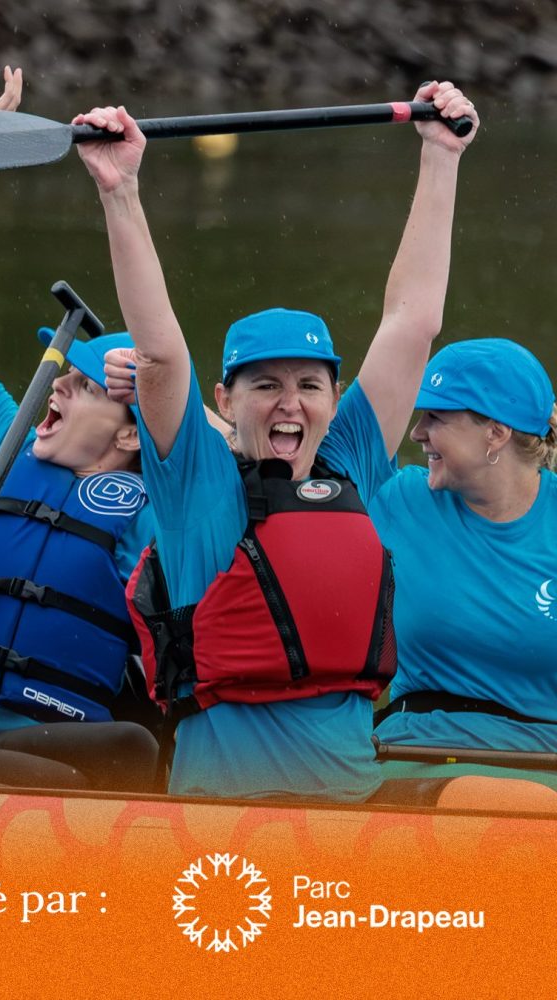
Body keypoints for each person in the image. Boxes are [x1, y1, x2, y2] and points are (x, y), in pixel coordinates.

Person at [74, 80, 478, 800]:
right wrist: (120, 190)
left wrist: (441, 158)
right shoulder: (194, 478)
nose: (290, 405)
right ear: (225, 401)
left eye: (309, 386)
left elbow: (412, 322)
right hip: (222, 827)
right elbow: (163, 356)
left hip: (348, 819)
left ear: (333, 398)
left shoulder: (350, 459)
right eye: (265, 386)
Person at [0, 67, 159, 792]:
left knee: (134, 748)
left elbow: (238, 442)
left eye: (84, 387)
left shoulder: (165, 506)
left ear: (128, 437)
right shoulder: (2, 444)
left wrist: (152, 383)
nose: (56, 385)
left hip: (61, 758)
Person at [367, 338, 557, 810]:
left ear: (495, 433)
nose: (417, 432)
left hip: (545, 769)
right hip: (418, 760)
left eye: (436, 417)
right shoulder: (399, 499)